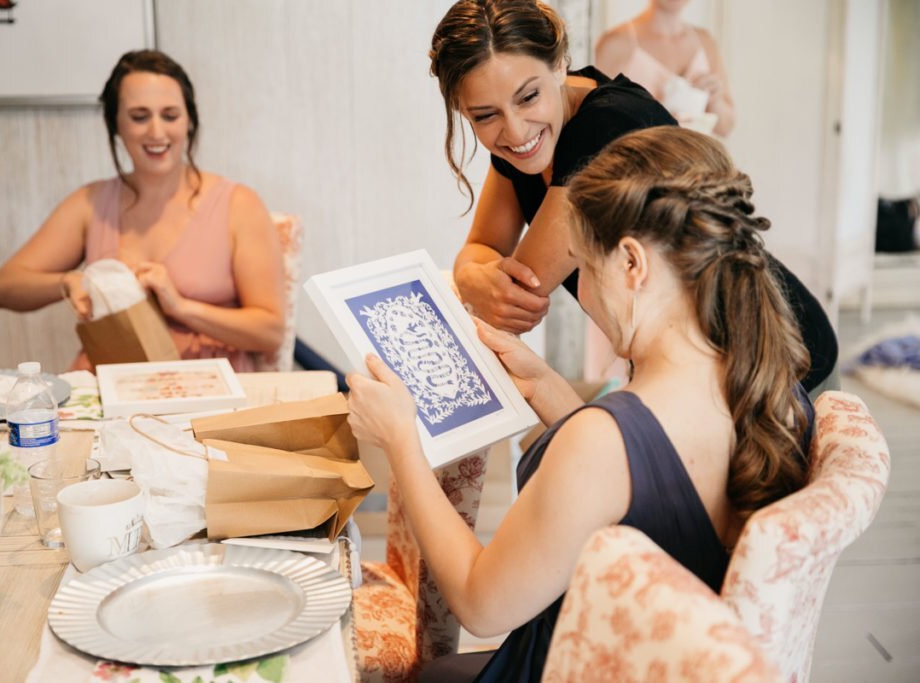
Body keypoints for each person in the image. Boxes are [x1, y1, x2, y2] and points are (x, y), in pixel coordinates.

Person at [347, 125, 816, 682]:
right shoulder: (775, 388)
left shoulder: (601, 441)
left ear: (632, 265)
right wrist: (545, 386)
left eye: (582, 267)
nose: (582, 293)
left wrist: (401, 442)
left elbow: (479, 602)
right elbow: (646, 493)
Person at [432, 0, 836, 393]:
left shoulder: (606, 126)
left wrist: (474, 277)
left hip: (775, 363)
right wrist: (470, 278)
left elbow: (521, 293)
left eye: (528, 97)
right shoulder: (530, 142)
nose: (516, 131)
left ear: (559, 65)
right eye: (485, 115)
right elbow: (482, 249)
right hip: (688, 377)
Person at [0, 50, 285, 372]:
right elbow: (3, 289)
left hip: (209, 389)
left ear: (190, 121)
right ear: (116, 124)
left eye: (170, 116)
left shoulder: (239, 204)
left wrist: (182, 307)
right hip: (111, 385)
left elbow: (270, 333)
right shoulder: (90, 203)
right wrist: (69, 281)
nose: (156, 132)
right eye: (139, 117)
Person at [595, 0, 736, 137]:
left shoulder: (705, 41)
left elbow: (726, 127)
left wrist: (715, 101)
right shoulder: (617, 43)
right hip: (643, 159)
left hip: (698, 159)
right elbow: (597, 121)